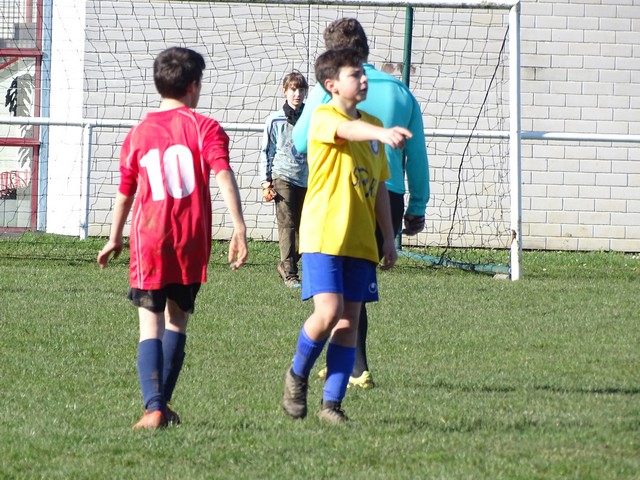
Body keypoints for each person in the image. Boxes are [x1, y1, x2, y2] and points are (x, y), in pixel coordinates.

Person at [97, 47, 248, 430]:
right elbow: (223, 174)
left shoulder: (138, 134)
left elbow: (125, 192)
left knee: (150, 325)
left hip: (148, 238)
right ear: (194, 85)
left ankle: (154, 408)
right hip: (190, 239)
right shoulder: (205, 127)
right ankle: (159, 407)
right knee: (177, 321)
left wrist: (115, 237)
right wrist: (239, 225)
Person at [292, 18, 430, 389]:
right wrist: (418, 204)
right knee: (343, 300)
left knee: (345, 300)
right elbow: (417, 154)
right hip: (384, 197)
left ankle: (352, 370)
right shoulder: (400, 92)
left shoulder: (327, 96)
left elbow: (300, 142)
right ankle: (340, 369)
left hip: (361, 195)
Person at [282, 47, 411, 424]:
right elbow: (346, 130)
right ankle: (297, 374)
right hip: (324, 235)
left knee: (348, 323)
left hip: (360, 242)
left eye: (363, 73)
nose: (364, 79)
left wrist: (387, 237)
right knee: (328, 313)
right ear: (332, 85)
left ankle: (332, 405)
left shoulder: (373, 125)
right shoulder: (325, 116)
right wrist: (382, 133)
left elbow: (380, 186)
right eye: (355, 75)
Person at [259, 71, 309, 288]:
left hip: (307, 179)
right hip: (283, 177)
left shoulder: (312, 118)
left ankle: (286, 264)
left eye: (301, 90)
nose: (297, 94)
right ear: (285, 91)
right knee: (287, 224)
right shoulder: (275, 120)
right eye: (293, 89)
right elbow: (266, 151)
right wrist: (266, 181)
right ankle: (290, 273)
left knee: (305, 229)